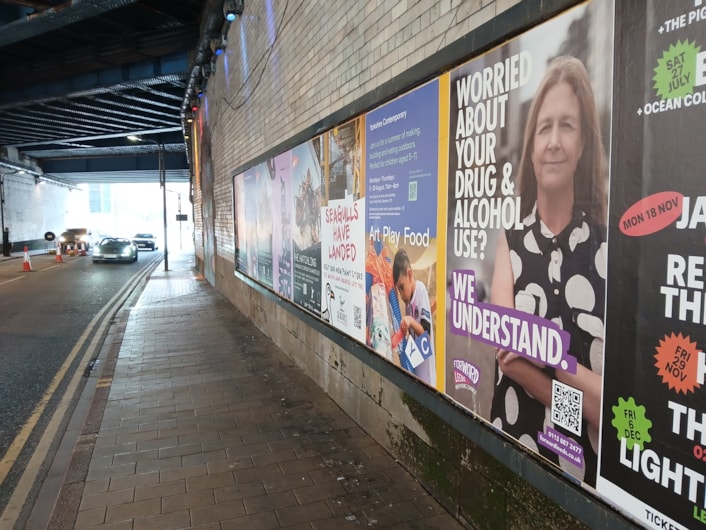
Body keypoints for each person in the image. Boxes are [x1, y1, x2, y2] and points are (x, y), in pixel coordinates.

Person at [489, 55, 607, 485]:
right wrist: (580, 388)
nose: (554, 141)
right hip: (514, 451)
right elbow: (508, 361)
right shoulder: (511, 241)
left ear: (582, 145)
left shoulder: (608, 248)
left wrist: (546, 357)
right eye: (544, 127)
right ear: (532, 145)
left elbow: (610, 406)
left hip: (585, 480)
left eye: (567, 126)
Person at [393, 248, 436, 386]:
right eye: (398, 290)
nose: (401, 294)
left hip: (427, 377)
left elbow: (426, 334)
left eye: (402, 287)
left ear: (409, 274)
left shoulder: (421, 291)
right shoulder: (408, 302)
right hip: (416, 371)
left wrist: (410, 321)